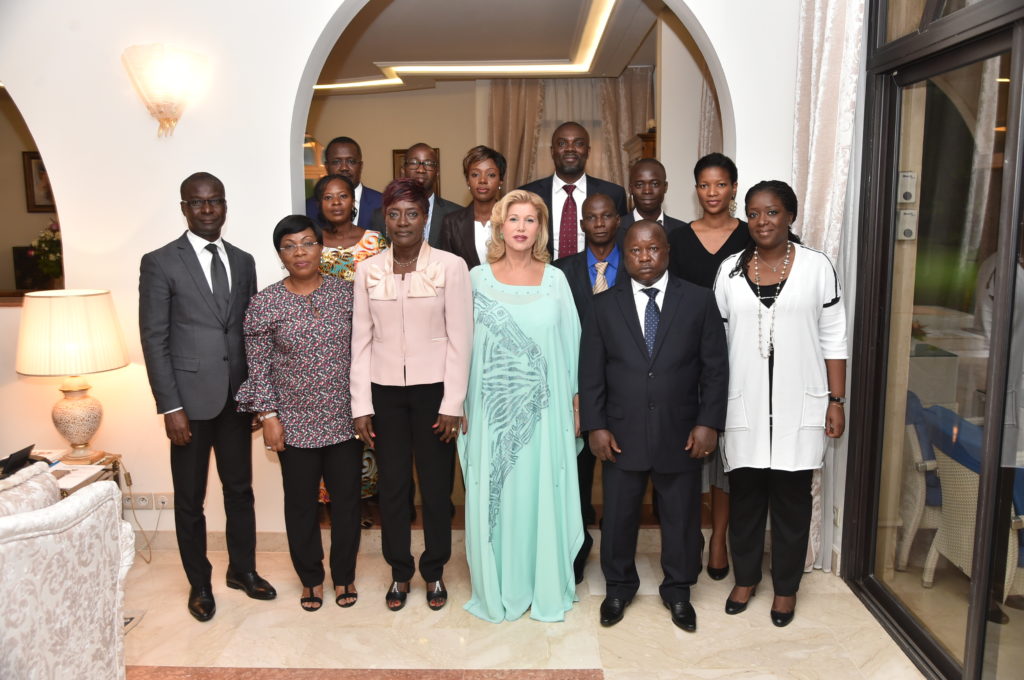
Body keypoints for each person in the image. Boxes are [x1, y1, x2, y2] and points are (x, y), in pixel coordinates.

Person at [139, 172, 276, 622]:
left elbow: (252, 334)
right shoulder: (160, 262)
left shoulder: (243, 260)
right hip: (189, 405)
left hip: (236, 400)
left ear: (224, 205)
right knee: (190, 498)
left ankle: (243, 571)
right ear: (184, 208)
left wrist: (257, 394)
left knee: (240, 491)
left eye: (215, 201)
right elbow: (154, 337)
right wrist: (170, 406)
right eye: (198, 203)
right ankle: (199, 583)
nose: (208, 210)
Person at [579, 220, 729, 632]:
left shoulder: (698, 301)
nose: (645, 258)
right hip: (620, 433)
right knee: (619, 516)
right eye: (635, 251)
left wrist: (708, 423)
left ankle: (679, 591)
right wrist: (595, 425)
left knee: (680, 517)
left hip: (682, 432)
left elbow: (715, 370)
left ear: (667, 252)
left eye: (653, 250)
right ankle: (618, 587)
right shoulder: (603, 306)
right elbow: (591, 373)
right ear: (623, 256)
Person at [713, 180, 847, 627]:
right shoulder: (730, 270)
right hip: (743, 405)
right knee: (746, 498)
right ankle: (746, 578)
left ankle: (786, 588)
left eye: (771, 212)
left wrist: (836, 399)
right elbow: (715, 343)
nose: (761, 221)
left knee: (791, 500)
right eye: (753, 213)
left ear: (789, 215)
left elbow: (833, 337)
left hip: (800, 403)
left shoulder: (816, 268)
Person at [461, 189, 584, 623]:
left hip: (545, 415)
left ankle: (544, 582)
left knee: (540, 492)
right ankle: (499, 583)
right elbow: (460, 348)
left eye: (530, 220)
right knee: (497, 494)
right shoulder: (475, 279)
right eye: (513, 219)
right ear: (499, 225)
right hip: (490, 415)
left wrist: (574, 404)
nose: (521, 227)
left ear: (540, 229)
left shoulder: (556, 280)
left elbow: (571, 344)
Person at [351, 178, 473, 612]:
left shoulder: (450, 266)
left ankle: (435, 570)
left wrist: (452, 403)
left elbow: (462, 339)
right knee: (394, 489)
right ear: (385, 218)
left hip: (435, 395)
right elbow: (360, 341)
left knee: (438, 490)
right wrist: (361, 405)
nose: (403, 222)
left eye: (412, 213)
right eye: (395, 213)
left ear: (425, 218)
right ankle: (399, 572)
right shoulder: (368, 270)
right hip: (384, 395)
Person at [235, 215, 362, 612]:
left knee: (347, 504)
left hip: (345, 419)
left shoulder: (348, 294)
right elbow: (257, 364)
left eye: (307, 242)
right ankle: (311, 578)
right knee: (301, 504)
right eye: (290, 245)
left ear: (321, 248)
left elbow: (366, 351)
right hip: (293, 422)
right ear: (280, 254)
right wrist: (269, 415)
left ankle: (344, 575)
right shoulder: (266, 302)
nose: (300, 252)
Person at [668, 152, 751, 580]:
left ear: (733, 188)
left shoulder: (752, 236)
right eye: (705, 185)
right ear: (695, 188)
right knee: (685, 451)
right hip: (687, 360)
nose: (713, 192)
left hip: (739, 357)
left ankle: (719, 538)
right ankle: (688, 536)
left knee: (726, 456)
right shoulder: (679, 239)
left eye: (721, 184)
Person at [552, 192, 622, 584]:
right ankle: (576, 551)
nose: (598, 223)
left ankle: (616, 554)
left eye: (606, 215)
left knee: (619, 479)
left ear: (617, 220)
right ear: (581, 225)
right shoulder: (561, 271)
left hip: (625, 388)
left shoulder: (638, 264)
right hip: (575, 388)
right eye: (591, 217)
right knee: (575, 476)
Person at [315, 173, 388, 526]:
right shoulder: (310, 244)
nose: (336, 203)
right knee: (332, 430)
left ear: (353, 201)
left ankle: (364, 499)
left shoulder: (376, 242)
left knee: (367, 424)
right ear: (320, 205)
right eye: (328, 197)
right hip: (323, 352)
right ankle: (334, 501)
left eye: (342, 196)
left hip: (372, 348)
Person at [519, 121, 628, 259]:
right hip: (541, 275)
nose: (570, 149)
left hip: (596, 276)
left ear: (588, 151)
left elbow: (620, 243)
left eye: (578, 143)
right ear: (552, 151)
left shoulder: (613, 194)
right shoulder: (528, 194)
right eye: (562, 144)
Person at [372, 143, 462, 245]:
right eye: (414, 163)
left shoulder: (456, 215)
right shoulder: (380, 216)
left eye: (428, 163)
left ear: (437, 173)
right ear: (403, 171)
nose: (421, 170)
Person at [438, 145, 506, 269]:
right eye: (475, 175)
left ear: (501, 180)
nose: (483, 180)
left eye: (491, 175)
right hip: (464, 288)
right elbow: (447, 269)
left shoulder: (512, 219)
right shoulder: (452, 223)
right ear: (467, 181)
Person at [306, 136, 382, 229]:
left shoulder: (383, 203)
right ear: (326, 167)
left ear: (360, 166)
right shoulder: (308, 207)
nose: (344, 168)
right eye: (336, 162)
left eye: (351, 161)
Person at [618, 158, 685, 237]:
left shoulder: (683, 231)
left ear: (665, 187)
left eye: (655, 184)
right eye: (639, 185)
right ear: (630, 189)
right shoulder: (615, 230)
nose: (647, 191)